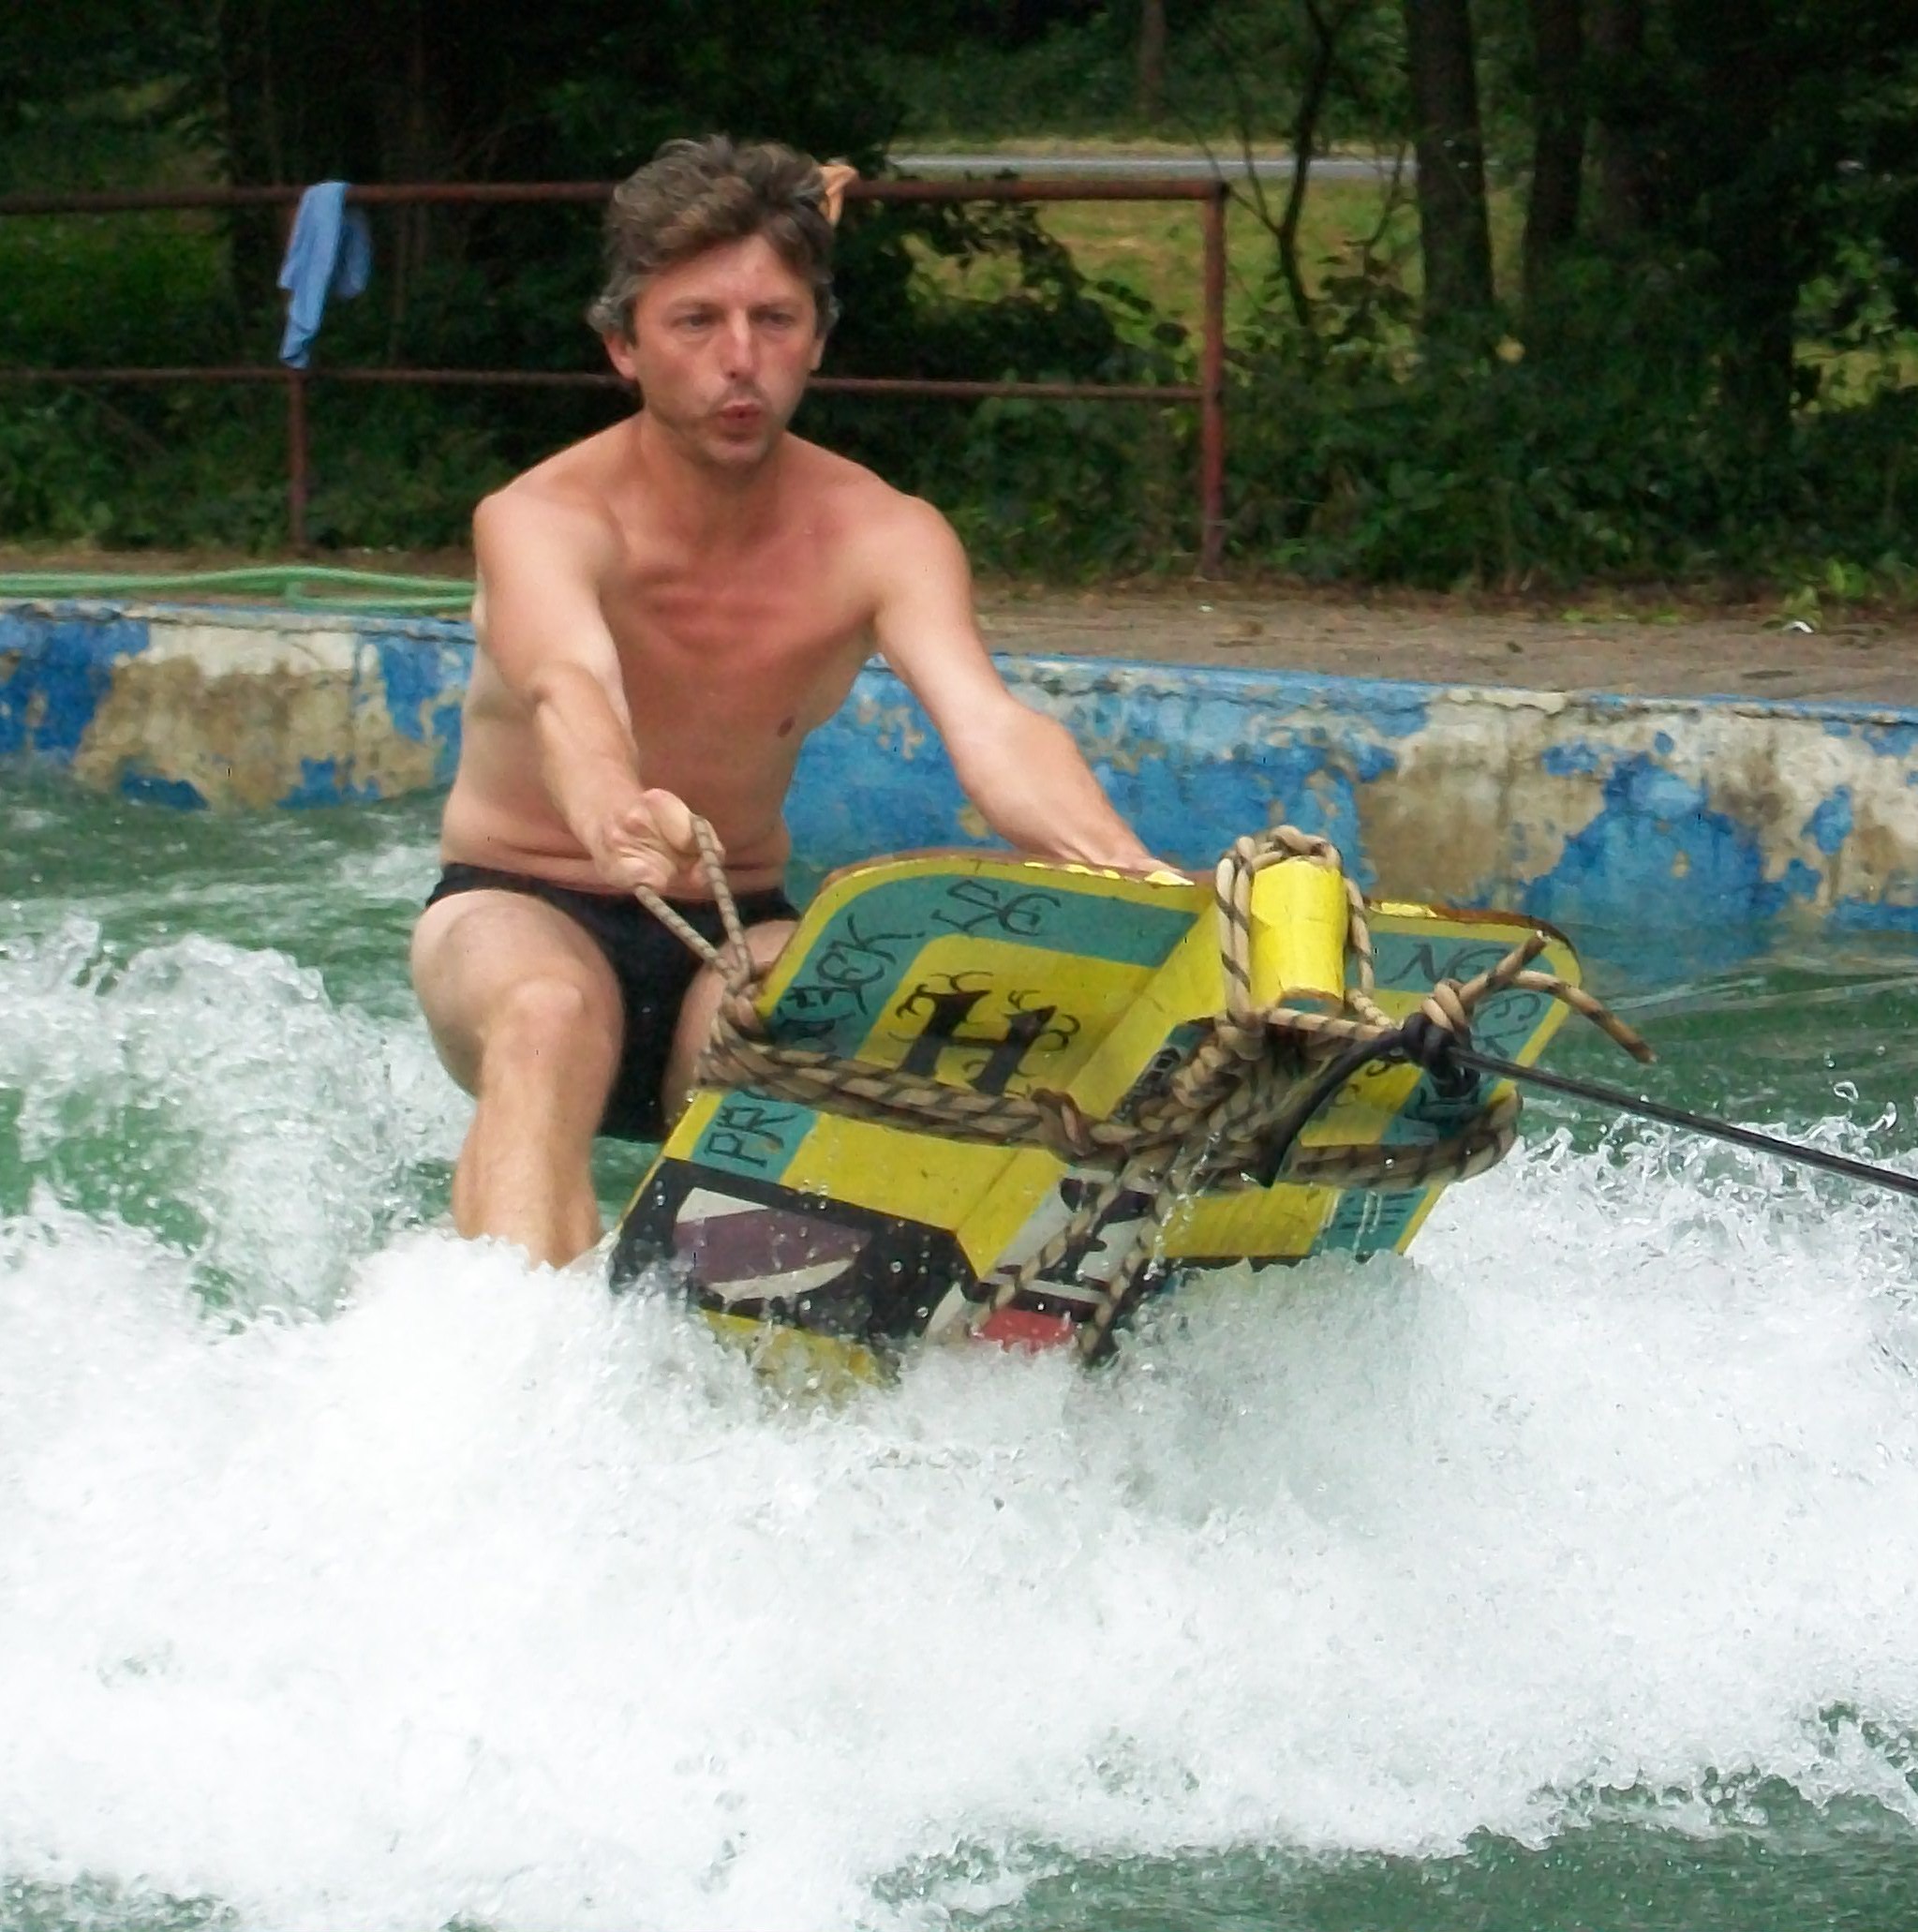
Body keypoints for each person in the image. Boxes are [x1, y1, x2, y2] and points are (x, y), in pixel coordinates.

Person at [410, 135, 1155, 1268]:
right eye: (695, 322)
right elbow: (568, 684)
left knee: (823, 1017)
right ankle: (509, 1352)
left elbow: (990, 726)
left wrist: (1135, 875)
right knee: (548, 1013)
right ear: (622, 346)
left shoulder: (885, 534)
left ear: (817, 340)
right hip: (520, 902)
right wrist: (612, 807)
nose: (739, 360)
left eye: (774, 321)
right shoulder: (539, 516)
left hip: (734, 919)